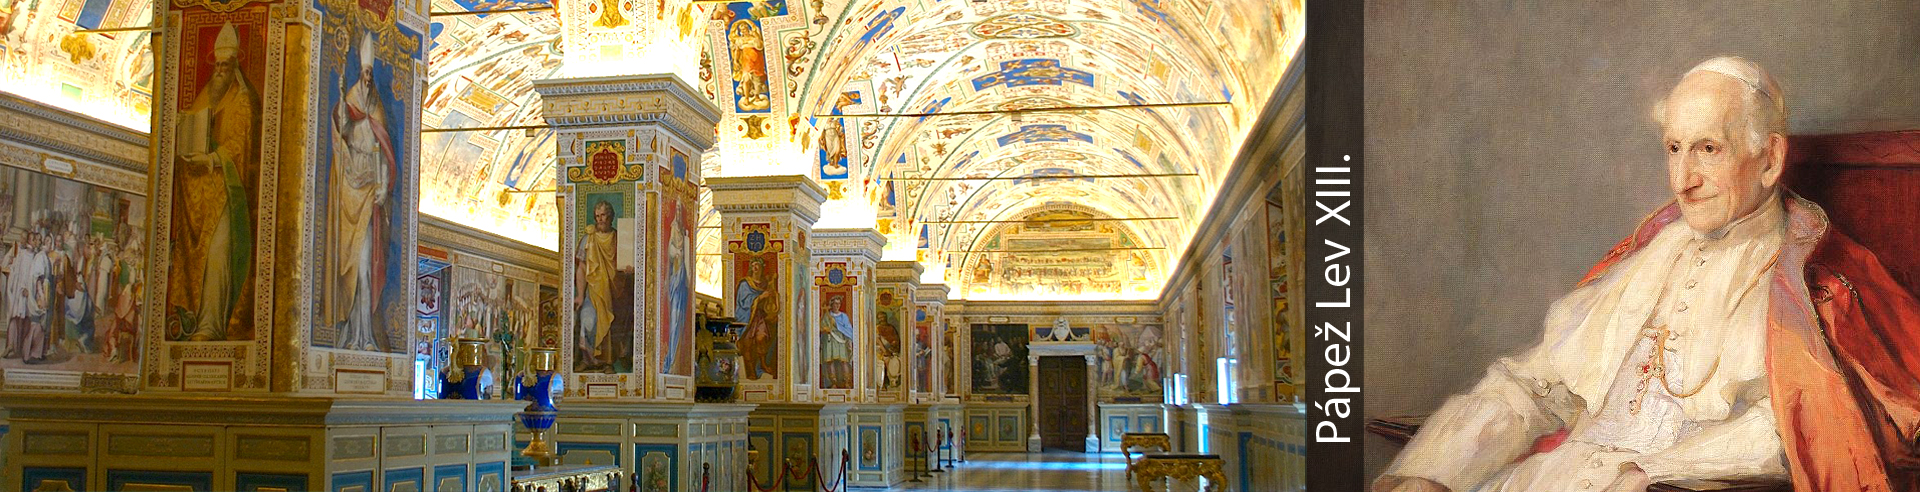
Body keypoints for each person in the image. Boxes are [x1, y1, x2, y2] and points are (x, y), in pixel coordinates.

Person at [1376, 57, 1920, 492]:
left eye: (1708, 150)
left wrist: (1653, 472)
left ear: (1771, 159)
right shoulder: (1651, 253)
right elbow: (1535, 385)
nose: (1683, 180)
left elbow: (1796, 430)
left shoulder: (1816, 284)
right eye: (1674, 149)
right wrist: (1434, 472)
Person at [171, 22, 257, 342]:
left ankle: (213, 324)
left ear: (235, 67)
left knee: (218, 255)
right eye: (217, 65)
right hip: (202, 194)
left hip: (227, 193)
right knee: (199, 256)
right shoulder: (207, 96)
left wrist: (211, 159)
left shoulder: (242, 100)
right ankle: (197, 320)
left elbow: (239, 145)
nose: (220, 71)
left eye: (226, 65)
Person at [330, 33, 395, 353]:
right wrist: (342, 112)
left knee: (366, 267)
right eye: (365, 73)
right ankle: (352, 334)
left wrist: (382, 187)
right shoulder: (350, 106)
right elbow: (341, 132)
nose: (368, 78)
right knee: (352, 267)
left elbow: (382, 154)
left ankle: (366, 335)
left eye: (371, 74)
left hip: (369, 194)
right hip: (349, 192)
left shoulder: (376, 113)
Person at [575, 199, 619, 371]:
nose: (600, 219)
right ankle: (588, 359)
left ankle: (608, 362)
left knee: (610, 325)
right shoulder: (588, 239)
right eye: (597, 216)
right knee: (588, 319)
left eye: (604, 215)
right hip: (593, 290)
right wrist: (580, 295)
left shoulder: (618, 238)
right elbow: (582, 267)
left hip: (613, 290)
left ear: (610, 217)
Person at [819, 295, 854, 388]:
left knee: (844, 361)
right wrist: (825, 329)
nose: (837, 305)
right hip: (829, 340)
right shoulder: (827, 315)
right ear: (832, 304)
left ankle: (847, 382)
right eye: (835, 303)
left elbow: (848, 329)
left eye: (839, 303)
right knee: (830, 361)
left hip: (840, 340)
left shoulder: (843, 316)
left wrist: (836, 325)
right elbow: (821, 327)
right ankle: (833, 383)